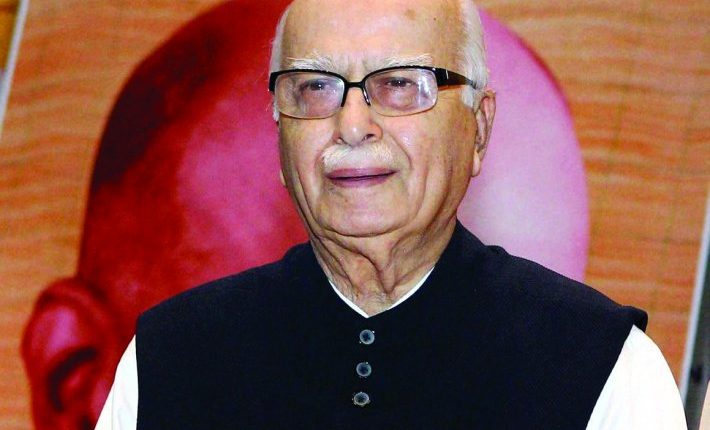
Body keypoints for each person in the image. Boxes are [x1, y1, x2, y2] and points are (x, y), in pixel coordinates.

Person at [96, 0, 687, 428]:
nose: (352, 124)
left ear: (478, 129)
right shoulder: (171, 358)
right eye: (315, 88)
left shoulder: (602, 368)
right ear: (278, 132)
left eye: (401, 83)